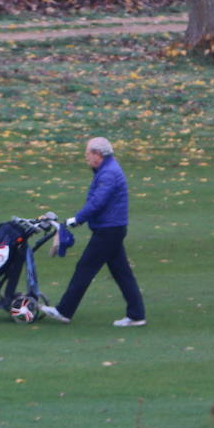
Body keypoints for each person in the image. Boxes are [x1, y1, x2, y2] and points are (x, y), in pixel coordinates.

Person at [42, 137, 146, 327]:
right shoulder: (108, 169)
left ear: (98, 154)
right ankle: (137, 314)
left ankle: (64, 311)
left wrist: (76, 219)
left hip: (108, 230)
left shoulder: (108, 174)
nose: (86, 158)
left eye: (88, 154)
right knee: (121, 272)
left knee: (85, 268)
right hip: (112, 228)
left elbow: (98, 202)